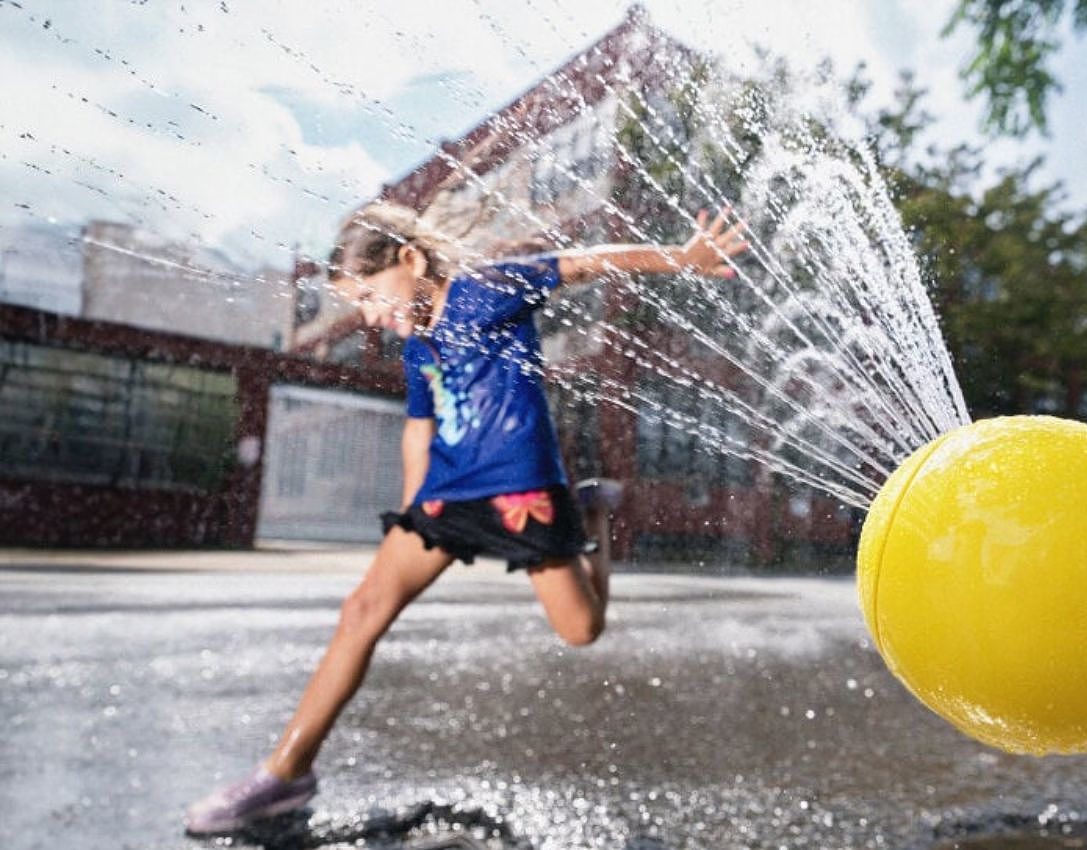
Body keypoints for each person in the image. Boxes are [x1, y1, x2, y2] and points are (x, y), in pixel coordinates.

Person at [183, 201, 748, 834]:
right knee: (361, 610)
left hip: (520, 490)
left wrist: (684, 258)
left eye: (370, 296)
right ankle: (282, 776)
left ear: (410, 260)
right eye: (358, 307)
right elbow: (417, 430)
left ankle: (591, 515)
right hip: (448, 493)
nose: (370, 315)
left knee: (582, 629)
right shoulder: (416, 345)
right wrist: (412, 512)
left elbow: (585, 263)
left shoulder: (488, 289)